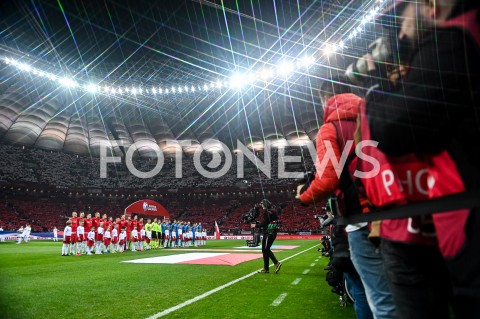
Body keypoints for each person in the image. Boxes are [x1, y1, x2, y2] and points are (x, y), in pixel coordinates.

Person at [363, 0, 480, 317]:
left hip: (462, 225)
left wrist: (371, 90)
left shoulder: (455, 40)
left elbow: (393, 128)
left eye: (402, 21)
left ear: (429, 5)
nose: (401, 34)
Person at [296, 77, 397, 319]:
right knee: (403, 291)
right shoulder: (378, 115)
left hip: (361, 217)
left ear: (325, 100)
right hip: (398, 209)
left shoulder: (331, 128)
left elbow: (328, 179)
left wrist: (303, 197)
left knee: (369, 293)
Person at [252, 199, 282, 274]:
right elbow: (269, 221)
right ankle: (269, 267)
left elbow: (266, 222)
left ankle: (273, 264)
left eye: (262, 204)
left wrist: (256, 225)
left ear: (264, 204)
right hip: (273, 231)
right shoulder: (273, 210)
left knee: (265, 250)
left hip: (268, 232)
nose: (261, 206)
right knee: (266, 249)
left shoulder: (267, 212)